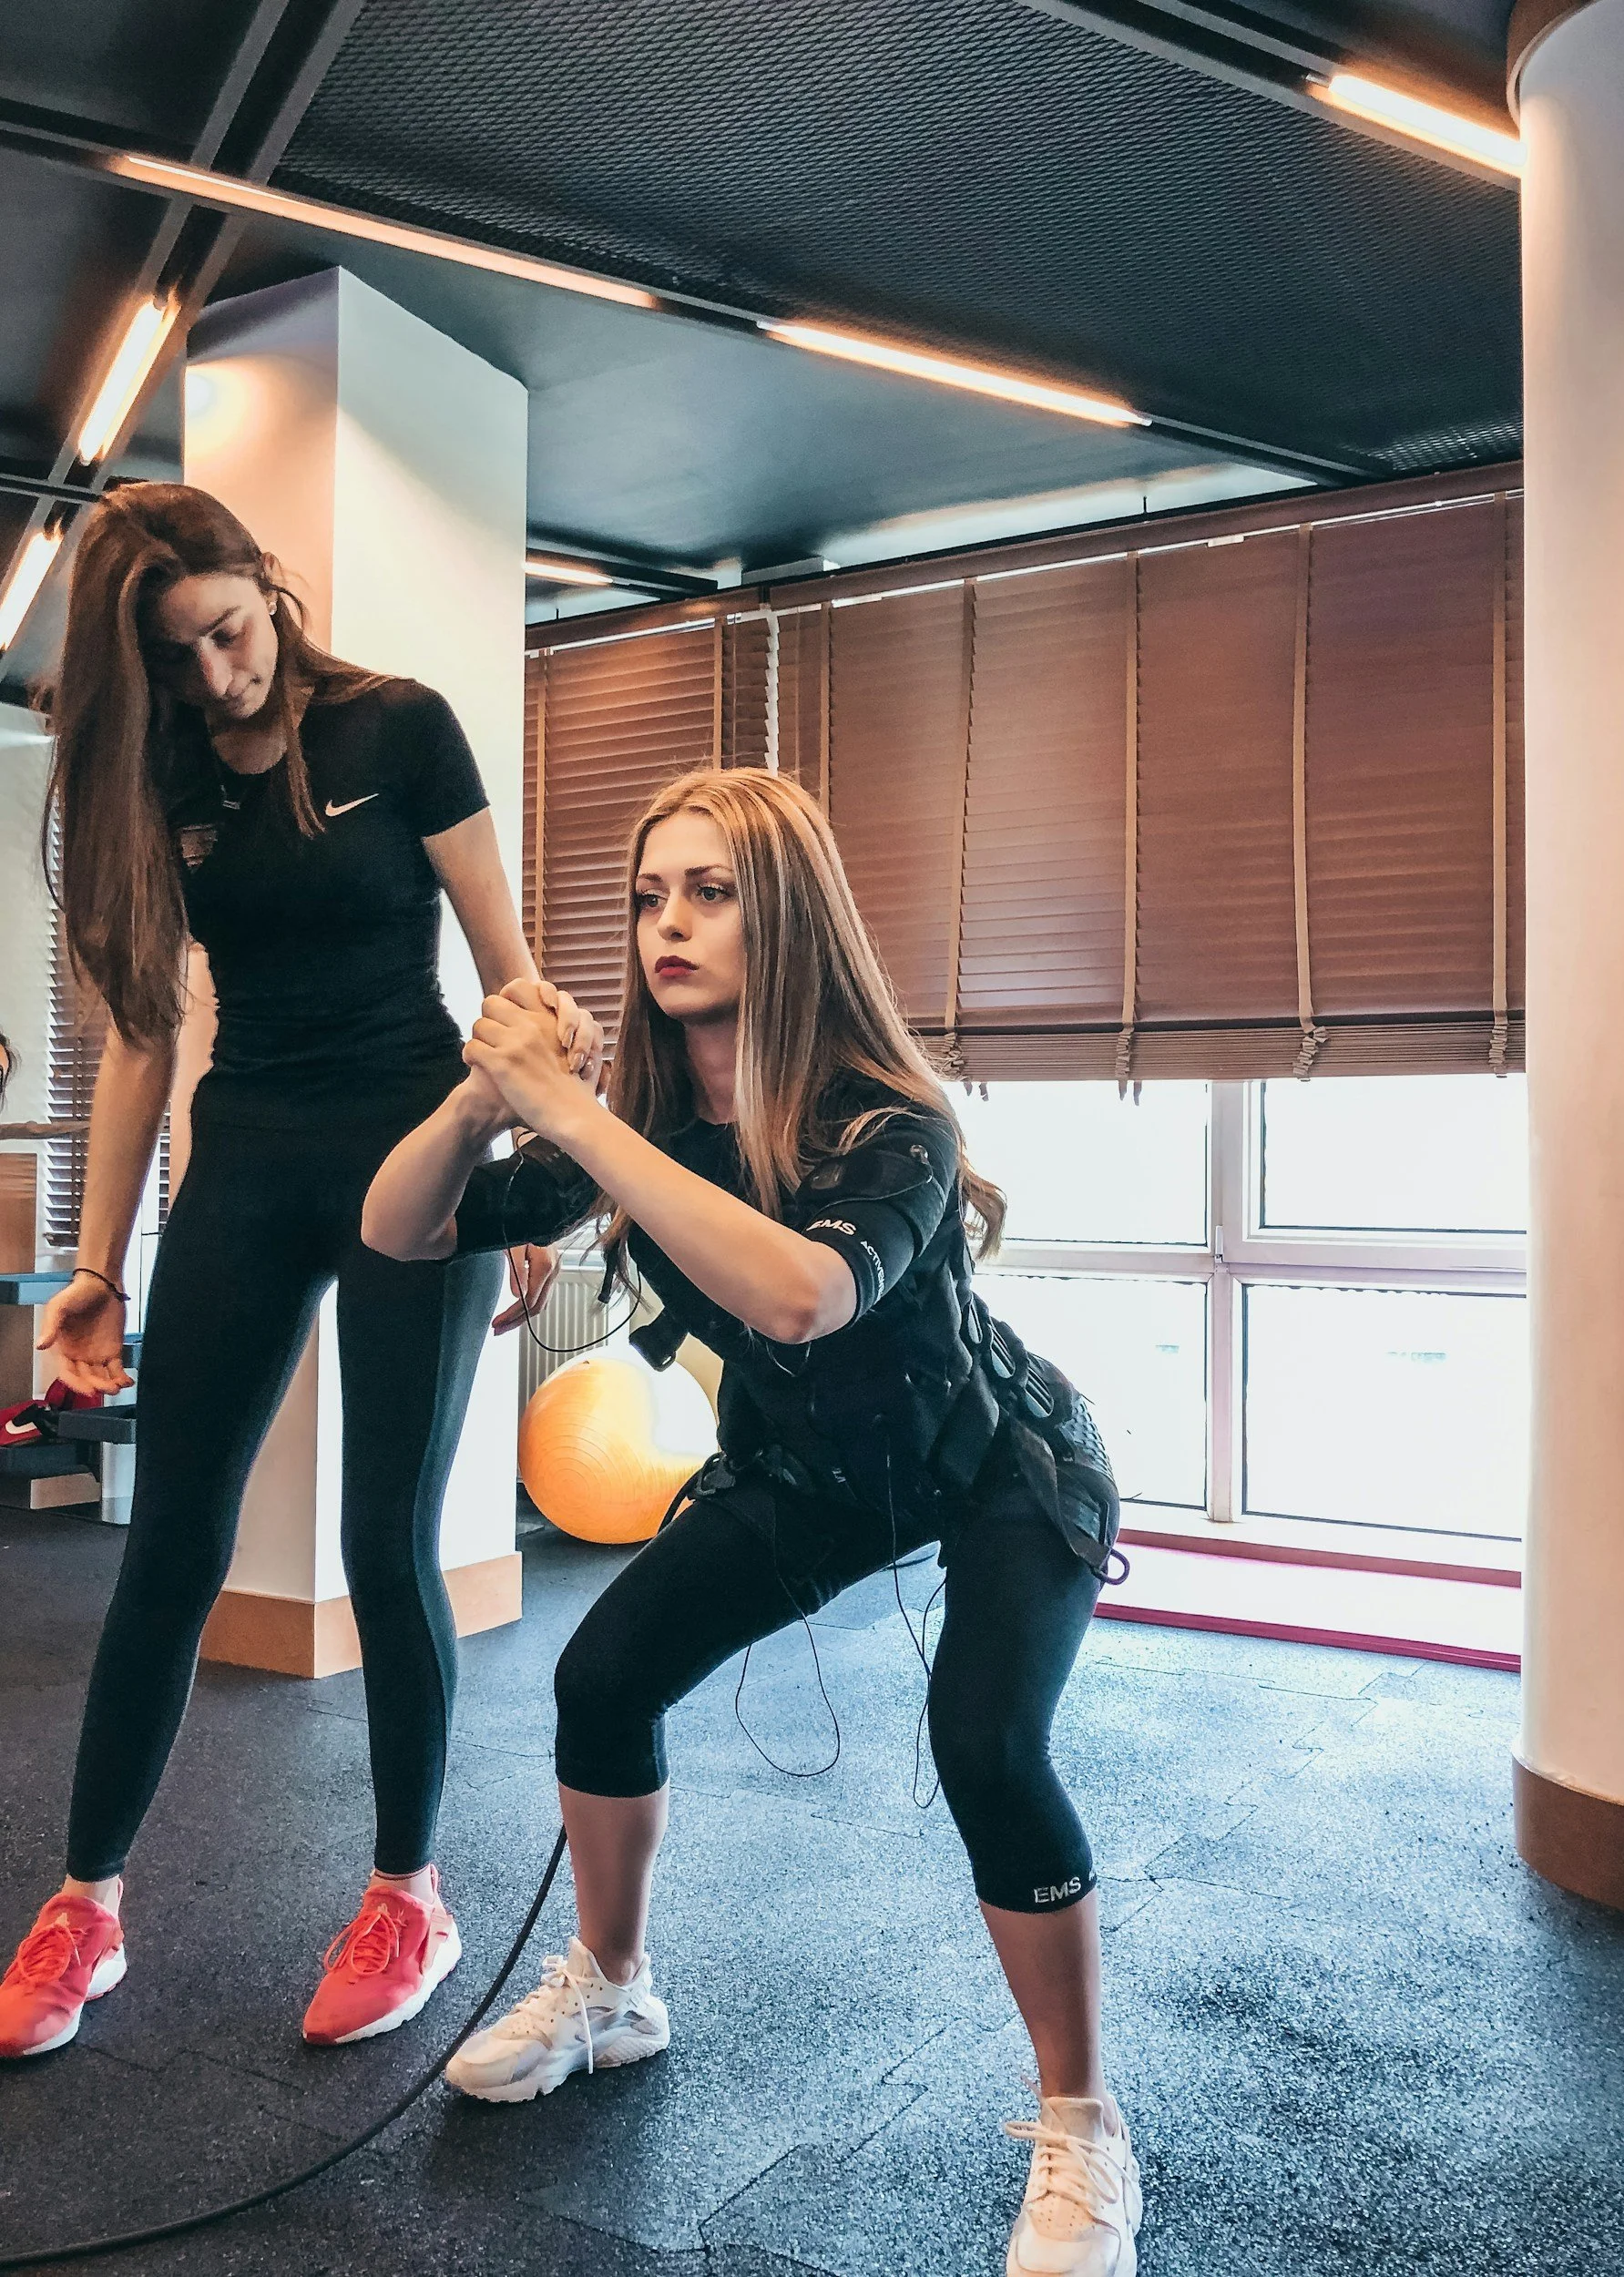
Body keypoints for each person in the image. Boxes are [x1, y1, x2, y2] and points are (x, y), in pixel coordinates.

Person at [363, 767, 1144, 2277]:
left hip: (996, 1465)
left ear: (782, 915)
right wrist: (483, 1095)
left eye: (708, 892)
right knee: (600, 1680)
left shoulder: (888, 1119)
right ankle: (613, 1982)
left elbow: (800, 1289)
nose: (668, 922)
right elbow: (397, 1231)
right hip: (806, 1473)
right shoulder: (649, 1116)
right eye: (650, 894)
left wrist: (576, 1119)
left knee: (986, 1743)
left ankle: (1082, 2122)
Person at [0, 484, 570, 2062]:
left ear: (269, 583)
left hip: (417, 1149)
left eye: (231, 634)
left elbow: (510, 976)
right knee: (171, 1542)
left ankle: (407, 1893)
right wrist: (95, 1265)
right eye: (179, 660)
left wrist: (521, 1184)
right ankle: (86, 1905)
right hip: (244, 1159)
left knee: (387, 1540)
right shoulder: (162, 768)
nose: (219, 679)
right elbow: (136, 1030)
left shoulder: (401, 730)